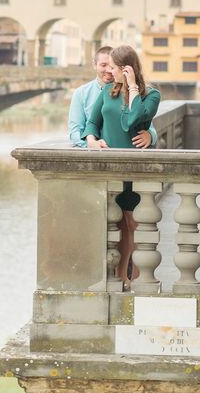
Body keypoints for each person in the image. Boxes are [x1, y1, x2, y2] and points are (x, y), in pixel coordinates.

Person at [82, 45, 161, 291]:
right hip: (108, 166)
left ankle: (136, 278)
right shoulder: (107, 91)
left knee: (133, 225)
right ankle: (120, 277)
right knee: (114, 226)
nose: (110, 73)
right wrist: (92, 141)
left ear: (127, 69)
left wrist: (133, 89)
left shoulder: (152, 95)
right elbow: (92, 122)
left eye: (115, 68)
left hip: (135, 168)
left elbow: (129, 122)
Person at [68, 45, 157, 149]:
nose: (109, 71)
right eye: (103, 65)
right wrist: (91, 142)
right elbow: (81, 128)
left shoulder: (150, 94)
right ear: (95, 65)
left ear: (124, 68)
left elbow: (143, 122)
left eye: (112, 66)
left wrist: (151, 135)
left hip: (135, 155)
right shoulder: (85, 93)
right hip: (103, 153)